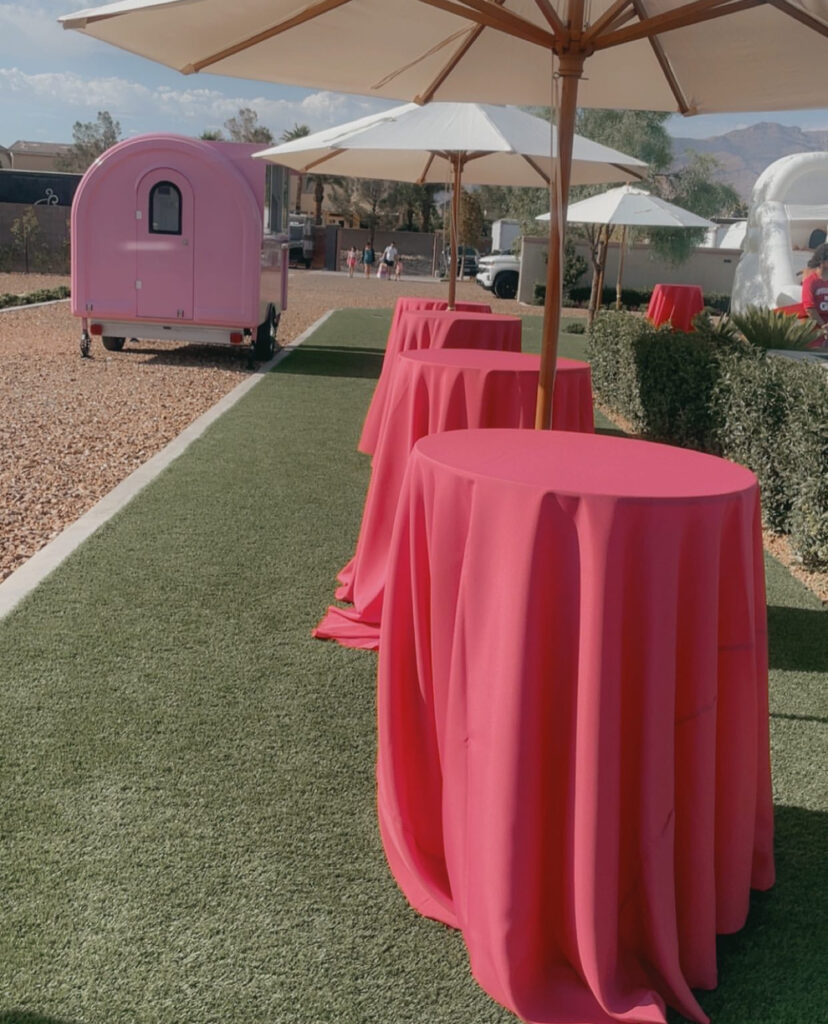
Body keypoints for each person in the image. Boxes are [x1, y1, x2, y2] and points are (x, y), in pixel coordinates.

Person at [802, 242, 828, 344]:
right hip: (817, 331)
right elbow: (809, 308)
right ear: (822, 262)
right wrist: (823, 326)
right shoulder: (811, 282)